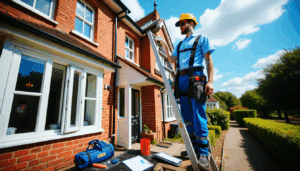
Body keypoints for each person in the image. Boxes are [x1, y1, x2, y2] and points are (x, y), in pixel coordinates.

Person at [158, 13, 215, 170]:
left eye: (183, 23)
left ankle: (204, 153)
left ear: (191, 23)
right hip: (181, 80)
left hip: (196, 77)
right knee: (187, 117)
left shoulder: (202, 39)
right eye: (180, 24)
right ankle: (194, 148)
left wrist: (210, 81)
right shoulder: (179, 44)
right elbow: (171, 60)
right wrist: (161, 43)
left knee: (198, 115)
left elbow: (209, 60)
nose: (181, 27)